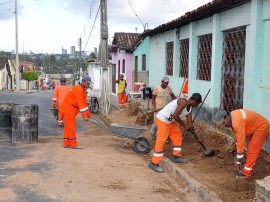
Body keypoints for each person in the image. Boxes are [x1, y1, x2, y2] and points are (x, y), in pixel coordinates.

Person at [148, 93, 202, 173]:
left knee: (177, 135)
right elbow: (175, 115)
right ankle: (154, 163)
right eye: (198, 103)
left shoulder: (189, 108)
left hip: (170, 121)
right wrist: (185, 125)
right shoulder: (183, 102)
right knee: (162, 140)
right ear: (194, 101)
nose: (197, 105)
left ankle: (176, 156)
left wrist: (191, 127)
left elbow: (190, 121)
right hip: (162, 119)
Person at [215, 109, 270, 178]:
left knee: (252, 150)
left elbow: (241, 143)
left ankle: (246, 173)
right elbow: (238, 138)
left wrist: (238, 162)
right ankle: (250, 168)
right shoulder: (233, 118)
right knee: (250, 148)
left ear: (227, 117)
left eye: (223, 122)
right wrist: (236, 150)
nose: (224, 125)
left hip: (261, 126)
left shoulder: (236, 123)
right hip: (255, 126)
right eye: (221, 124)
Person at [59, 75, 91, 149]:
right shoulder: (78, 89)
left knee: (68, 127)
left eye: (89, 84)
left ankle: (66, 143)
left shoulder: (82, 89)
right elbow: (81, 103)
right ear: (83, 82)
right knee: (71, 127)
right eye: (87, 83)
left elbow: (84, 102)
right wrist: (84, 116)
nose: (88, 85)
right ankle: (73, 144)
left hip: (69, 109)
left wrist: (88, 114)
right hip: (68, 109)